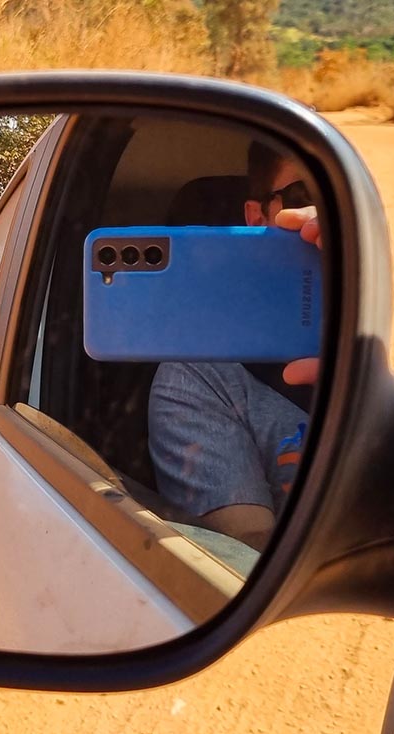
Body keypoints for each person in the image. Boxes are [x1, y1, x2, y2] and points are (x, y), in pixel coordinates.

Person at [147, 141, 321, 551]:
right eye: (306, 197)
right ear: (256, 215)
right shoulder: (199, 378)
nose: (335, 214)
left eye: (350, 198)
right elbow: (247, 559)